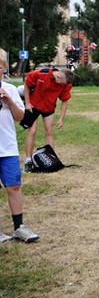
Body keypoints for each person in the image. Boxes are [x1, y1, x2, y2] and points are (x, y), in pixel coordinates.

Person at [0, 48, 40, 243]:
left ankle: (19, 227)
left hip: (7, 148)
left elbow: (21, 118)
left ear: (3, 67)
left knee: (14, 186)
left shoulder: (8, 89)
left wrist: (9, 101)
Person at [21, 67, 73, 172]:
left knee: (49, 132)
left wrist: (61, 118)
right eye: (62, 83)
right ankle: (28, 161)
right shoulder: (40, 74)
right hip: (33, 106)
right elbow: (27, 85)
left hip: (49, 107)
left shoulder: (66, 83)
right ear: (58, 76)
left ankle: (51, 159)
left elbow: (65, 100)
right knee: (32, 131)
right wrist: (27, 103)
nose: (62, 85)